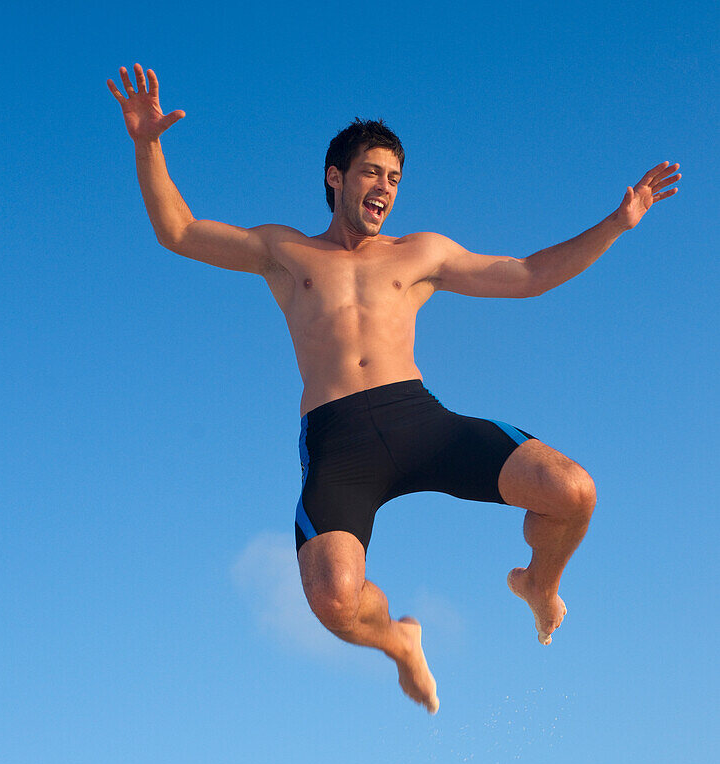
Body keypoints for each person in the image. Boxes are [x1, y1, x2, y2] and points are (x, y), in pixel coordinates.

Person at [108, 63, 680, 715]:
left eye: (395, 179)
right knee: (332, 601)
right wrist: (146, 144)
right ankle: (399, 641)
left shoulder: (419, 254)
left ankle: (537, 583)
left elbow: (528, 274)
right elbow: (177, 231)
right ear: (336, 178)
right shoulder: (285, 251)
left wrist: (617, 222)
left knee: (573, 492)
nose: (386, 187)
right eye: (373, 173)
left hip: (417, 420)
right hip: (338, 443)